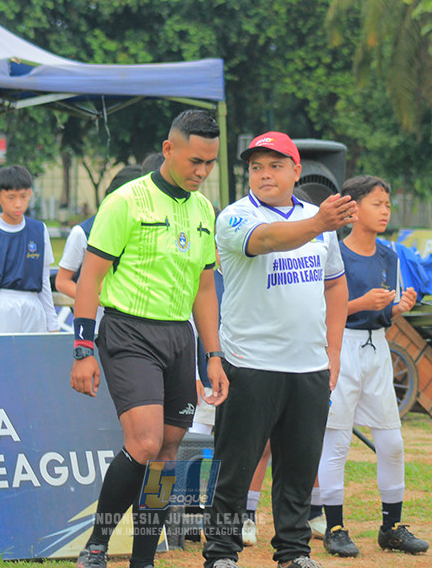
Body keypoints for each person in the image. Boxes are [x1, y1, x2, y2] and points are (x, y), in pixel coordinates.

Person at [70, 109, 229, 568]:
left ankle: (144, 559)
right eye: (195, 161)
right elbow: (89, 279)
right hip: (128, 332)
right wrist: (82, 349)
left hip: (179, 337)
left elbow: (204, 289)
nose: (202, 172)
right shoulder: (125, 201)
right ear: (168, 149)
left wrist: (213, 355)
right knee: (144, 443)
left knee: (167, 453)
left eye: (210, 163)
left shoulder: (204, 210)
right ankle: (97, 545)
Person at [202, 131, 355, 568]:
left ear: (296, 171)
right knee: (235, 468)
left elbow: (335, 285)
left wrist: (334, 351)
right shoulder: (236, 217)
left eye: (275, 165)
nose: (264, 174)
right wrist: (320, 224)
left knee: (298, 471)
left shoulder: (316, 219)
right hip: (250, 364)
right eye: (256, 167)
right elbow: (269, 240)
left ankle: (293, 552)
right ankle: (222, 553)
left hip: (309, 367)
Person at [316, 175, 429, 558]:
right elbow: (322, 310)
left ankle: (391, 527)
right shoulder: (334, 252)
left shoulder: (389, 256)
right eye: (377, 204)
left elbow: (382, 312)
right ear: (353, 209)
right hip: (341, 347)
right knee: (337, 442)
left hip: (378, 349)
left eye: (388, 205)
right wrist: (362, 303)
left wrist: (397, 308)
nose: (385, 211)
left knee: (391, 442)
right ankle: (334, 528)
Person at [0, 165, 56, 333]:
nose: (18, 204)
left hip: (33, 307)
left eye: (23, 196)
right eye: (11, 198)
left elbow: (44, 279)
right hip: (1, 309)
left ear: (30, 194)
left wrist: (53, 324)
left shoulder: (39, 230)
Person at [54, 164, 145, 322]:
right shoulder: (82, 232)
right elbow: (62, 282)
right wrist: (98, 300)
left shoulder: (147, 232)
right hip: (99, 318)